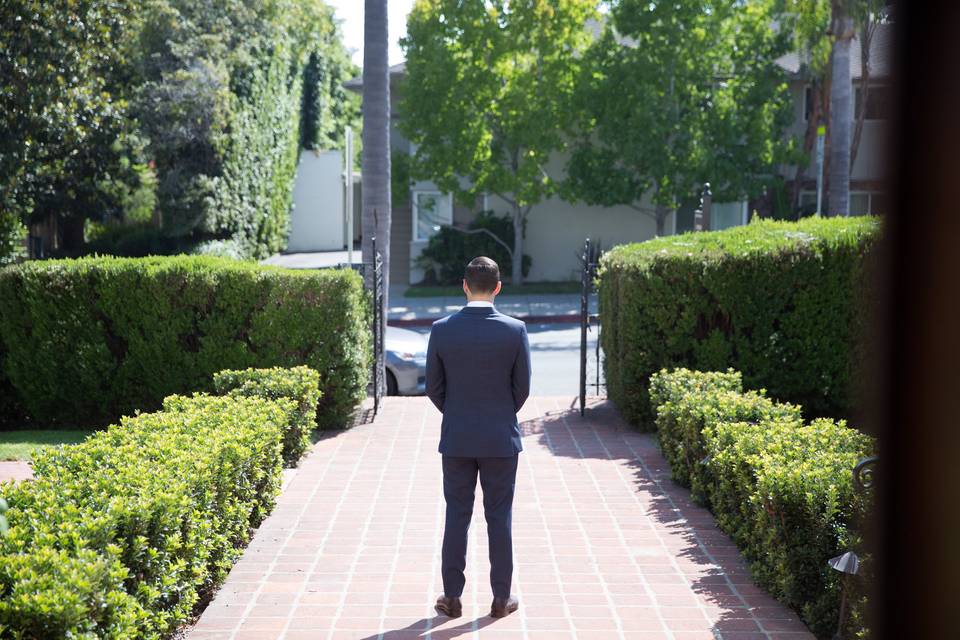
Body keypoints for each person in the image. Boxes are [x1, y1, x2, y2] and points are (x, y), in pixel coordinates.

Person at [425, 256, 532, 619]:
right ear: (498, 287)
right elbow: (523, 389)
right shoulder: (515, 330)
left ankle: (451, 597)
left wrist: (458, 413)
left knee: (457, 515)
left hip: (457, 437)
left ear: (465, 285)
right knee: (499, 517)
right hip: (501, 439)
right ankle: (501, 598)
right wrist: (499, 414)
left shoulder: (442, 329)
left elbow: (434, 388)